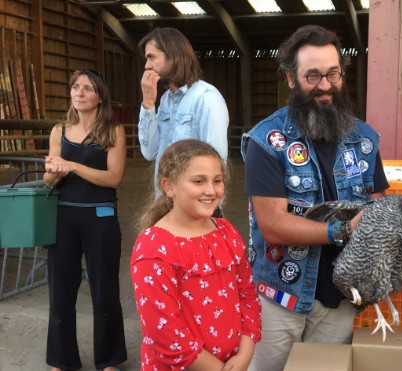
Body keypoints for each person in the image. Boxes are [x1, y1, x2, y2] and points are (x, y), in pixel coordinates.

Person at [241, 25, 390, 371]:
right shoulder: (267, 141)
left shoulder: (365, 139)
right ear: (291, 79)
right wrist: (342, 231)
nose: (325, 86)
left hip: (339, 297)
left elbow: (380, 204)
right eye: (312, 76)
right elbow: (273, 225)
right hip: (279, 296)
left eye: (332, 74)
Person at [131, 139, 261, 370]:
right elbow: (164, 333)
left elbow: (248, 295)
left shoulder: (225, 232)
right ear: (169, 186)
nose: (211, 190)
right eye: (198, 181)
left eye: (217, 181)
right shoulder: (154, 249)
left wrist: (246, 351)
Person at [43, 69, 127, 371]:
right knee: (61, 289)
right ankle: (61, 359)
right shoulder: (59, 130)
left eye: (87, 88)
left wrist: (73, 166)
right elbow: (49, 180)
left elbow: (114, 178)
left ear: (99, 96)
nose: (79, 93)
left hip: (100, 216)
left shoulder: (113, 131)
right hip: (64, 216)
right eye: (75, 87)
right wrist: (53, 171)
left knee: (104, 290)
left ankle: (110, 359)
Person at [137, 27, 229, 203]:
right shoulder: (165, 100)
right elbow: (149, 152)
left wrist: (210, 209)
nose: (147, 65)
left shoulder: (206, 97)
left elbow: (216, 161)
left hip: (195, 207)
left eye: (152, 57)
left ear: (173, 56)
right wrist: (148, 104)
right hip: (165, 203)